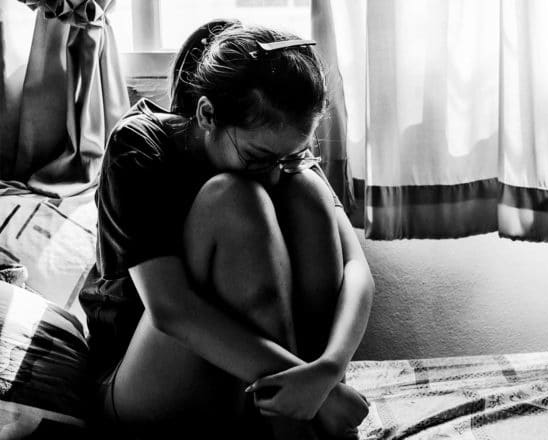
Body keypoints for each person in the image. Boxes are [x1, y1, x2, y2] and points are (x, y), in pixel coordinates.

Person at [79, 18, 374, 439]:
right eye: (258, 158)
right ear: (206, 114)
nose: (272, 174)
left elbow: (357, 270)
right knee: (234, 197)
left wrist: (327, 372)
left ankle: (291, 409)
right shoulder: (138, 146)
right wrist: (316, 393)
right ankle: (297, 425)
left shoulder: (280, 154)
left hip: (248, 384)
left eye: (288, 157)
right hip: (136, 379)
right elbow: (170, 311)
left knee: (306, 190)